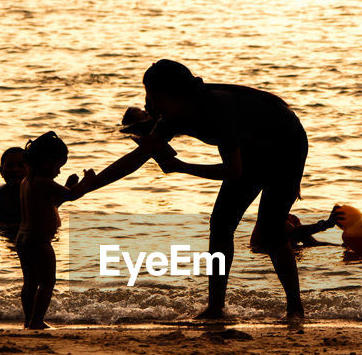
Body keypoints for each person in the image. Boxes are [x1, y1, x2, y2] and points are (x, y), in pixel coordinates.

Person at [86, 60, 309, 321]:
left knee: (270, 230)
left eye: (154, 96)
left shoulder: (216, 110)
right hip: (251, 146)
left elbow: (234, 171)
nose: (148, 105)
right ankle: (216, 308)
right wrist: (87, 188)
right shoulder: (171, 117)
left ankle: (295, 308)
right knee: (221, 224)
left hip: (287, 144)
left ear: (176, 95)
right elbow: (137, 158)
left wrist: (181, 167)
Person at [16, 132, 94, 330]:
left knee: (30, 282)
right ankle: (37, 320)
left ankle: (28, 319)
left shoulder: (27, 182)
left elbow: (54, 202)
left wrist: (68, 187)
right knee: (48, 282)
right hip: (40, 242)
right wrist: (87, 182)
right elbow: (72, 195)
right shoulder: (44, 182)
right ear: (46, 162)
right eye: (58, 167)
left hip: (23, 239)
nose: (58, 172)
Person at [248, 208, 344, 252]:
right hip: (264, 258)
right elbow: (294, 232)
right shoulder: (269, 217)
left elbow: (311, 242)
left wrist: (340, 246)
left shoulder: (293, 218)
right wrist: (325, 224)